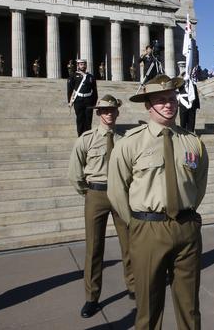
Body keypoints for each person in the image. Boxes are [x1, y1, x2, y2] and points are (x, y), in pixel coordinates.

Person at [108, 74, 209, 330]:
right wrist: (137, 224)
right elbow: (117, 190)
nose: (168, 104)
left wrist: (188, 214)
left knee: (190, 306)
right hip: (148, 229)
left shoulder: (192, 142)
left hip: (186, 227)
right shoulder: (130, 143)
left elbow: (199, 184)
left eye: (172, 99)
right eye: (161, 100)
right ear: (147, 105)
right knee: (149, 308)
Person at [68, 94, 135, 318]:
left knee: (129, 244)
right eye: (104, 110)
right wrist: (88, 193)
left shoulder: (125, 139)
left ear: (117, 112)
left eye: (112, 110)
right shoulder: (85, 139)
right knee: (94, 248)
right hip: (96, 193)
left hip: (120, 194)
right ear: (98, 113)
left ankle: (134, 287)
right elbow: (75, 174)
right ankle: (92, 297)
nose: (108, 113)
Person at [67, 59, 98, 136]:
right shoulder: (73, 76)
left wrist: (94, 102)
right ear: (78, 66)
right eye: (81, 64)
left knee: (88, 119)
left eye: (84, 64)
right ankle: (80, 136)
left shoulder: (90, 77)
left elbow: (94, 90)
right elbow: (70, 90)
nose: (83, 66)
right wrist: (69, 101)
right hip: (78, 100)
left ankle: (88, 136)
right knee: (80, 119)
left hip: (88, 100)